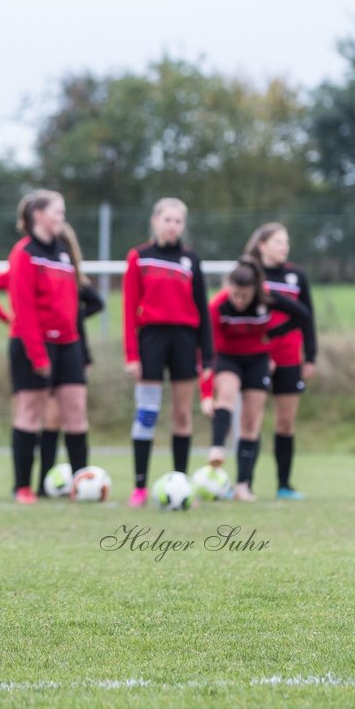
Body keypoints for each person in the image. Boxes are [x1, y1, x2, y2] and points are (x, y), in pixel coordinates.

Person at [0, 204, 103, 500]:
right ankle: (22, 487)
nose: (62, 216)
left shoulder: (63, 252)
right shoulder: (25, 253)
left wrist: (80, 351)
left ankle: (79, 485)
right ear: (38, 216)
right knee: (30, 413)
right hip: (33, 344)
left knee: (75, 412)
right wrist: (38, 354)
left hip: (68, 343)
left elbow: (72, 304)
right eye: (57, 211)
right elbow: (25, 309)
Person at [122, 197, 213, 507]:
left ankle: (180, 483)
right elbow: (128, 309)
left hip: (185, 340)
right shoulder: (140, 256)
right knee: (147, 414)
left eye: (178, 221)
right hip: (152, 339)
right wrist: (132, 354)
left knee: (182, 414)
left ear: (183, 225)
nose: (172, 225)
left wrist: (208, 354)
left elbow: (202, 308)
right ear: (155, 221)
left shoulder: (191, 259)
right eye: (167, 219)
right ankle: (139, 487)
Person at [205, 256, 314, 501]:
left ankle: (243, 485)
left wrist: (275, 333)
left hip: (257, 360)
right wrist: (205, 393)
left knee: (251, 422)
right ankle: (217, 447)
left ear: (255, 290)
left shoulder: (267, 298)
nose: (240, 301)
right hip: (228, 358)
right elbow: (207, 351)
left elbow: (303, 314)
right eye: (236, 295)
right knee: (227, 395)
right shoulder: (218, 306)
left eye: (245, 296)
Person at [245, 222, 318, 500]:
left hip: (289, 355)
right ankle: (245, 483)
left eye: (286, 242)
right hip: (256, 354)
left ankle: (284, 485)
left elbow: (306, 316)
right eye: (278, 241)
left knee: (285, 423)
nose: (284, 247)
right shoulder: (252, 273)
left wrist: (310, 356)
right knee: (252, 420)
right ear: (262, 245)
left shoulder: (296, 275)